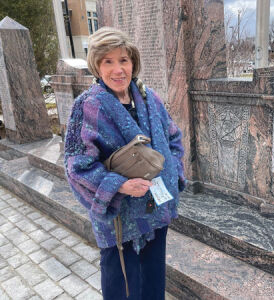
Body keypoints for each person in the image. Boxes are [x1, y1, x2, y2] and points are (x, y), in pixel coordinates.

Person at [64, 27, 185, 300]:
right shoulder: (88, 106)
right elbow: (76, 166)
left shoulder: (148, 97)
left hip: (155, 208)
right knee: (122, 287)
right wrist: (120, 186)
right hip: (119, 219)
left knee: (154, 282)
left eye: (124, 60)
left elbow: (174, 137)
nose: (118, 70)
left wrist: (173, 173)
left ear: (133, 62)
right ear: (97, 65)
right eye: (108, 61)